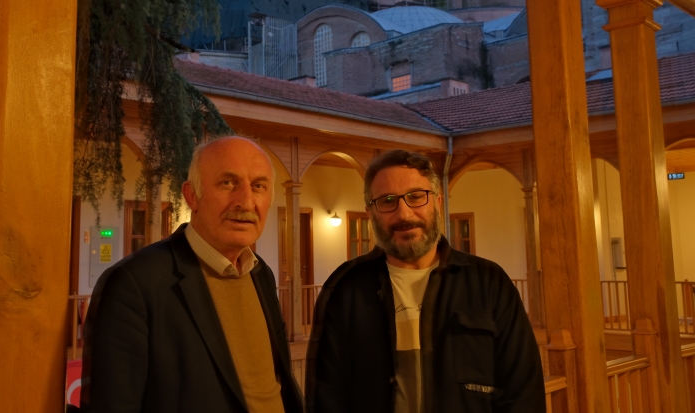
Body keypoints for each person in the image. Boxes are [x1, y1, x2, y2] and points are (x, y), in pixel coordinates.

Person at [306, 149, 545, 413]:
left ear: (438, 203)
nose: (404, 213)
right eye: (387, 201)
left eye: (416, 196)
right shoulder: (345, 289)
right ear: (370, 213)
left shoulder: (489, 284)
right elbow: (326, 398)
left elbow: (523, 393)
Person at [81, 136, 304, 413]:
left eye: (258, 186)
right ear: (192, 196)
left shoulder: (261, 274)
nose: (246, 202)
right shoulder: (132, 285)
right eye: (228, 183)